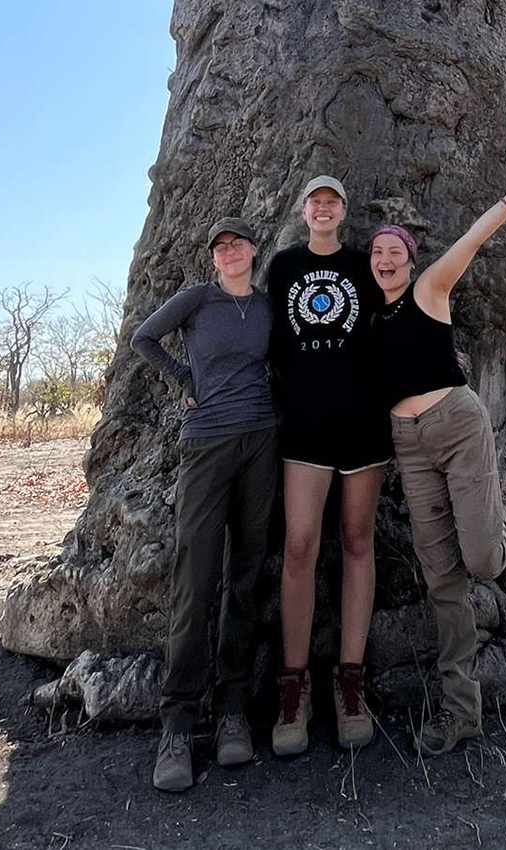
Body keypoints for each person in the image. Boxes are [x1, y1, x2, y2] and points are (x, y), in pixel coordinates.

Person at [368, 172, 506, 756]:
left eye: (394, 251)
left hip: (456, 423)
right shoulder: (366, 322)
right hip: (408, 444)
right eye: (377, 252)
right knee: (441, 580)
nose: (385, 259)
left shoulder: (430, 289)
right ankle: (461, 712)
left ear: (410, 258)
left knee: (479, 558)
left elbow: (471, 241)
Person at [130, 216, 279, 792]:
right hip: (206, 444)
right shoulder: (197, 300)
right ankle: (178, 722)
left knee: (245, 574)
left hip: (262, 442)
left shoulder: (267, 307)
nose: (230, 251)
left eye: (238, 242)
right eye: (220, 246)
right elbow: (144, 338)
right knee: (195, 579)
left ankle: (234, 710)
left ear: (253, 250)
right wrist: (182, 378)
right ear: (214, 257)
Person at [265, 175, 391, 755]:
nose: (322, 207)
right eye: (314, 199)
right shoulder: (284, 267)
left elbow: (396, 318)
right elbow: (267, 342)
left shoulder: (366, 265)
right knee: (299, 545)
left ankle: (350, 681)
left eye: (333, 200)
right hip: (305, 427)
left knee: (359, 540)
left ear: (344, 211)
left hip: (362, 423)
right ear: (303, 209)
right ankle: (295, 686)